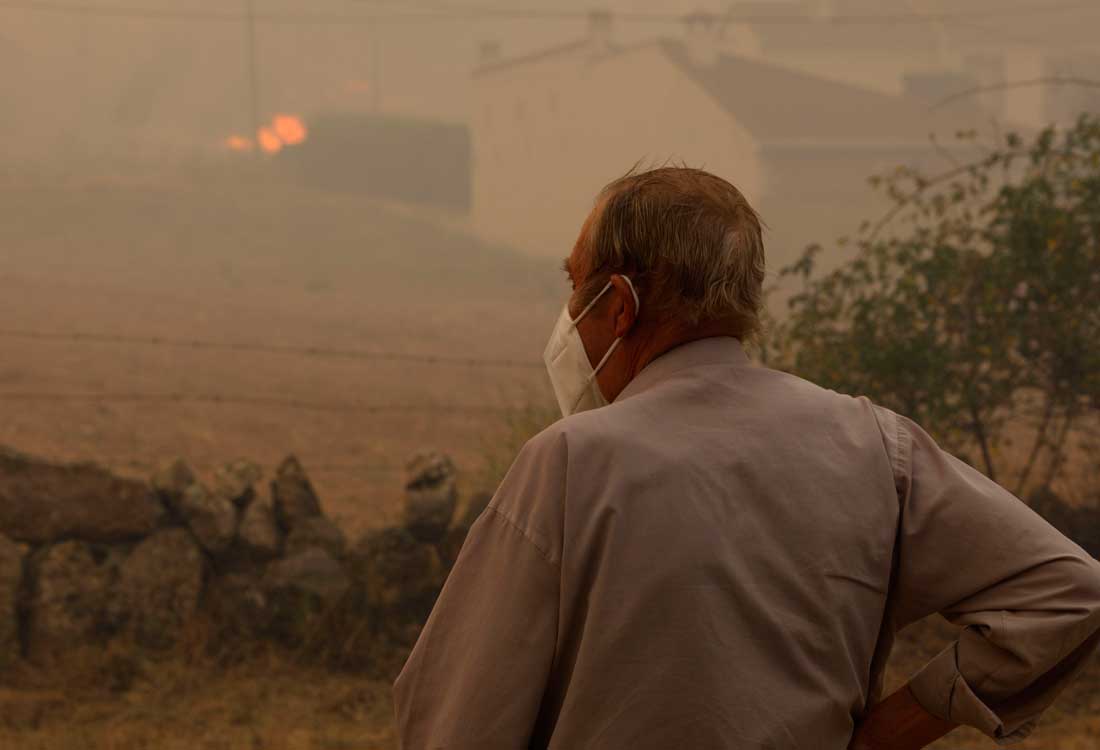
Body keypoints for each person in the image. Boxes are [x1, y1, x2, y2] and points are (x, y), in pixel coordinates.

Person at [391, 166, 1100, 749]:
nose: (568, 316)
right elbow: (1068, 593)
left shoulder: (570, 462)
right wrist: (890, 731)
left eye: (575, 285)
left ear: (620, 305)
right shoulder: (876, 447)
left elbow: (457, 717)